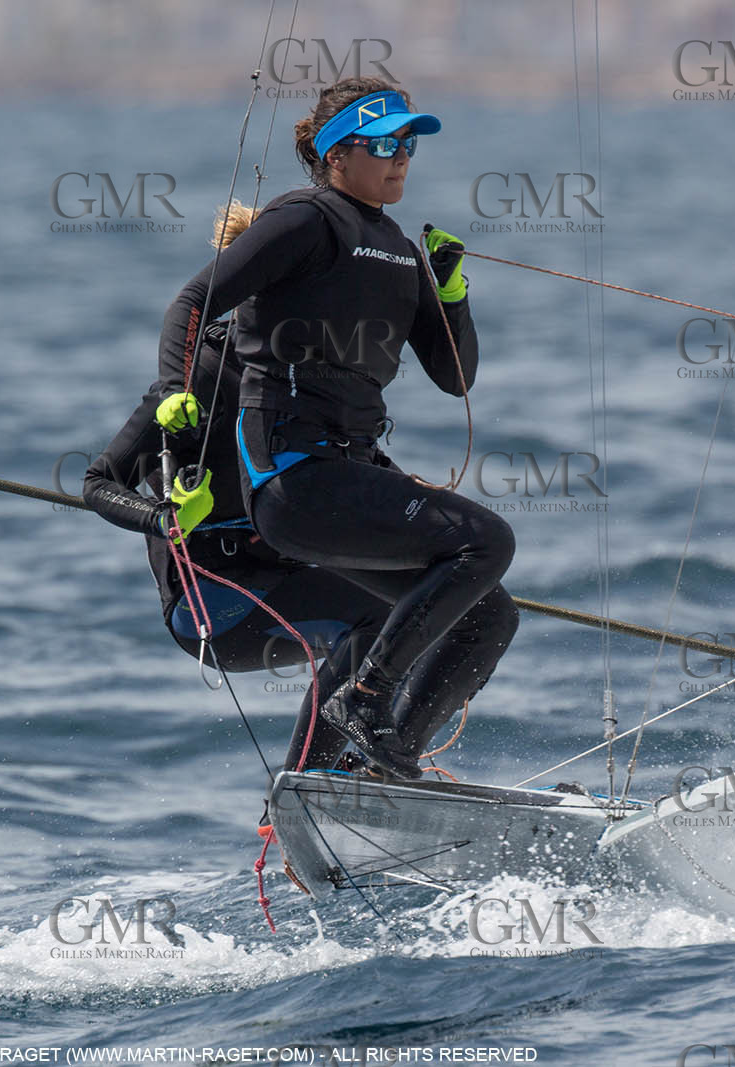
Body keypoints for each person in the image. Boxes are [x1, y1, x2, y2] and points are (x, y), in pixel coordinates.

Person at [151, 76, 518, 778]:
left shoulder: (398, 250)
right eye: (384, 143)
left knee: (488, 615)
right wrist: (175, 391)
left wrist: (450, 295)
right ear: (336, 154)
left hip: (347, 474)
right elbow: (192, 300)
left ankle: (382, 759)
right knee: (487, 542)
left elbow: (456, 376)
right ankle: (369, 699)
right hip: (293, 478)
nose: (401, 156)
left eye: (408, 143)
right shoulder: (304, 222)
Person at [83, 320, 387, 774]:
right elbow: (97, 483)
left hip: (283, 578)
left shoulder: (311, 380)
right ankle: (309, 780)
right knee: (382, 618)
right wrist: (166, 519)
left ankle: (368, 768)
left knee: (425, 608)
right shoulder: (202, 380)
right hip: (211, 603)